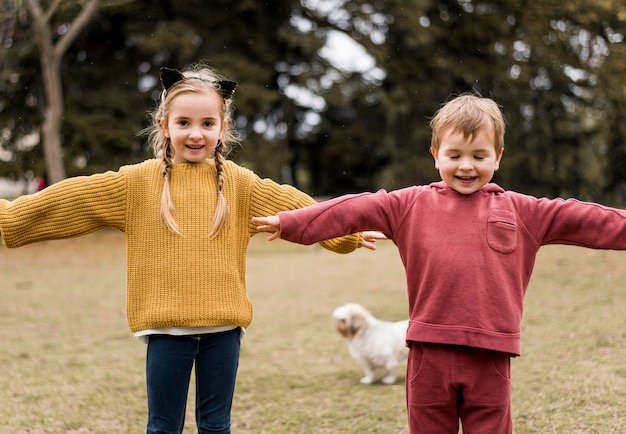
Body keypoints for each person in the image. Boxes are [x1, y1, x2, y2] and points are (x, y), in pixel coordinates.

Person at [0, 64, 383, 434]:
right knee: (163, 428)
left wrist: (346, 232)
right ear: (164, 125)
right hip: (166, 331)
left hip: (224, 331)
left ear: (223, 127)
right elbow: (73, 199)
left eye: (207, 123)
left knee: (216, 427)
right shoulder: (136, 184)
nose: (195, 133)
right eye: (183, 123)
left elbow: (297, 205)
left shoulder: (239, 184)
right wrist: (8, 219)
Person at [252, 93, 626, 433]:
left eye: (479, 156)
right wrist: (292, 222)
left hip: (490, 357)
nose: (466, 166)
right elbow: (355, 207)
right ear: (435, 154)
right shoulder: (410, 204)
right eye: (454, 155)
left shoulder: (522, 210)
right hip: (428, 354)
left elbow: (585, 218)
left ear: (498, 156)